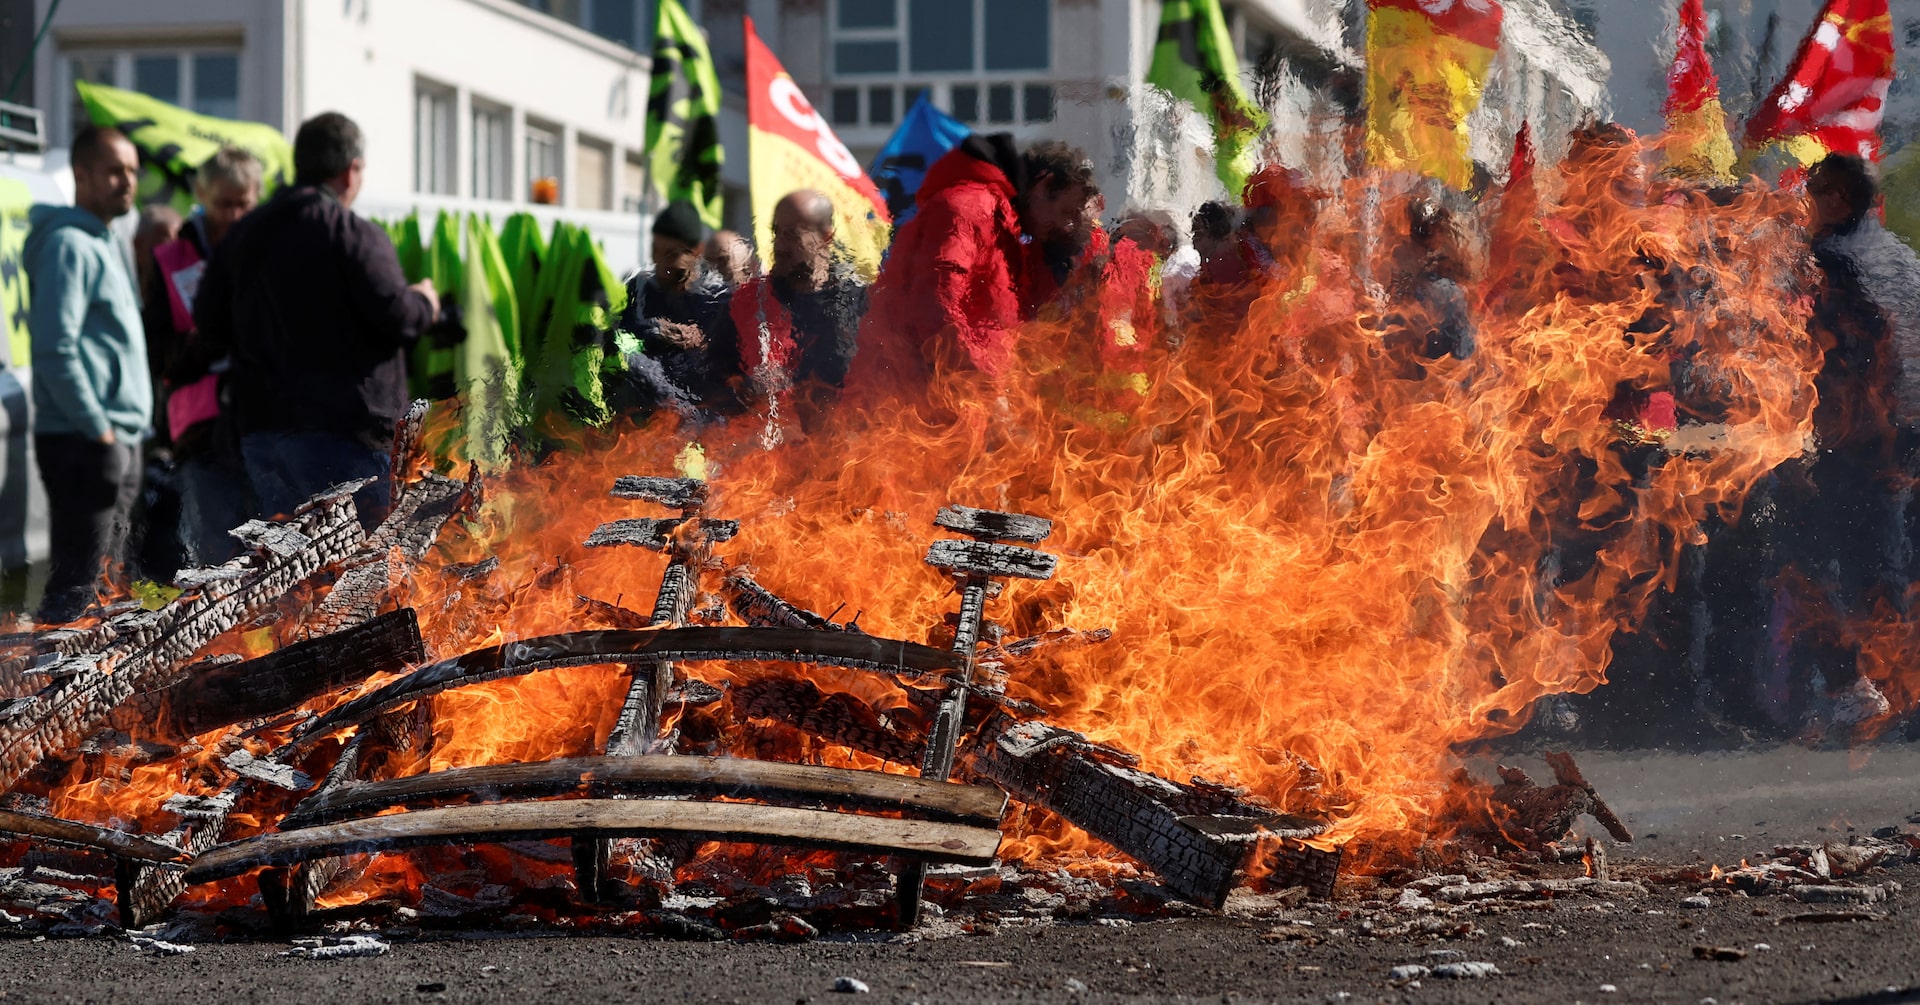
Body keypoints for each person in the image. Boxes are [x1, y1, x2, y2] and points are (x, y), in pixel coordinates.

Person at [194, 112, 439, 531]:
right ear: (351, 171)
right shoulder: (352, 233)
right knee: (361, 563)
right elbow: (397, 316)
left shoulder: (243, 234)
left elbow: (209, 325)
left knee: (291, 564)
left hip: (265, 435)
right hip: (346, 437)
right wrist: (424, 301)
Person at [850, 136, 1097, 395]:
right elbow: (936, 306)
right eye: (1066, 212)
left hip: (959, 398)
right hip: (912, 395)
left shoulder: (1012, 231)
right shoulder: (968, 208)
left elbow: (1025, 321)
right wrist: (982, 384)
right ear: (1044, 184)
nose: (1067, 225)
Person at [24, 125, 149, 622]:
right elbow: (55, 350)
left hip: (114, 437)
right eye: (115, 170)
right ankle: (47, 673)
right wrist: (99, 430)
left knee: (104, 588)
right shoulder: (69, 246)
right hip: (86, 441)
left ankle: (96, 675)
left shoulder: (106, 239)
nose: (128, 181)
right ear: (82, 174)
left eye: (132, 171)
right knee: (76, 593)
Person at [146, 147, 261, 565]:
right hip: (201, 429)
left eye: (242, 204)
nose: (233, 216)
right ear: (201, 196)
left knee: (273, 554)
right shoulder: (171, 259)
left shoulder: (268, 253)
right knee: (220, 555)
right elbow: (156, 350)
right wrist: (202, 343)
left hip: (263, 420)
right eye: (223, 204)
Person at [720, 190, 867, 435]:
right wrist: (745, 391)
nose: (779, 245)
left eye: (792, 235)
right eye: (776, 232)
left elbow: (878, 391)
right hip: (765, 452)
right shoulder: (747, 303)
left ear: (826, 237)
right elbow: (710, 379)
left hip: (845, 450)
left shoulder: (861, 305)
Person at [617, 200, 736, 417]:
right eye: (655, 250)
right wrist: (656, 330)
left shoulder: (718, 301)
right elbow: (617, 335)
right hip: (639, 413)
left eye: (671, 254)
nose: (660, 262)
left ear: (697, 251)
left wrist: (702, 344)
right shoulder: (637, 289)